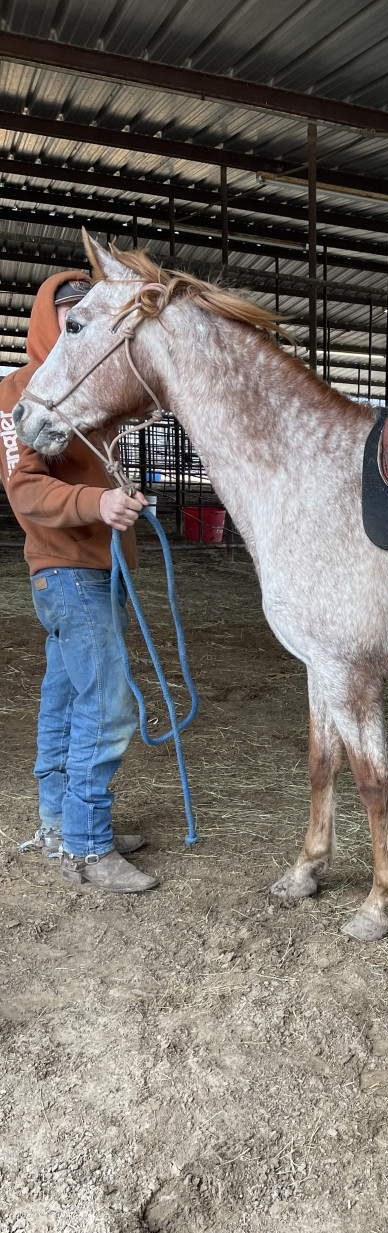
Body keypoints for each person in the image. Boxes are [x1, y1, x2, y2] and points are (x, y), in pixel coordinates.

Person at [0, 270, 157, 892]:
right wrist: (98, 506)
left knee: (63, 699)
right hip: (66, 571)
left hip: (101, 568)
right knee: (107, 705)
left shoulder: (89, 383)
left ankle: (59, 822)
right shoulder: (17, 393)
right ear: (50, 320)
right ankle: (89, 847)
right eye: (71, 318)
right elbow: (25, 488)